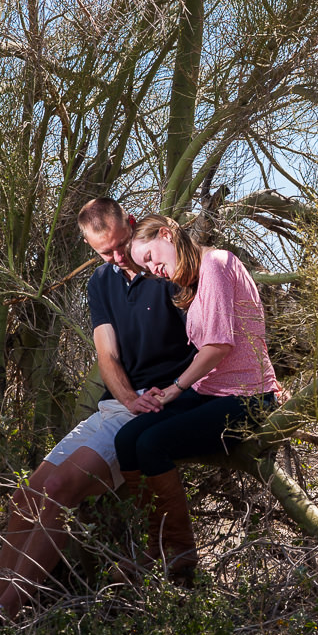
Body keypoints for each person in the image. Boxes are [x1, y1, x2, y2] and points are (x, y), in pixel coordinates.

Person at [0, 198, 194, 625]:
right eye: (104, 252)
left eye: (120, 244)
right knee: (24, 499)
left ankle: (6, 612)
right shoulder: (101, 282)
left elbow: (215, 332)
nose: (117, 257)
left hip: (160, 405)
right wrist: (128, 399)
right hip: (121, 405)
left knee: (58, 487)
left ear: (132, 224)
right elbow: (107, 355)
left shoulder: (167, 269)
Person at [114, 214, 285, 583]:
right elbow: (201, 357)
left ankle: (179, 552)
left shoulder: (218, 263)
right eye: (145, 268)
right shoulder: (192, 284)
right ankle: (153, 543)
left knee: (152, 443)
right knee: (126, 439)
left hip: (248, 398)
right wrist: (169, 388)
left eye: (150, 257)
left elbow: (219, 345)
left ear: (167, 233)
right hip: (208, 392)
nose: (153, 269)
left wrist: (176, 387)